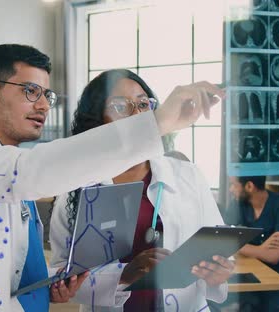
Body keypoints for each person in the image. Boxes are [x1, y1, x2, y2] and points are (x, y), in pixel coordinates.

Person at [0, 45, 224, 312]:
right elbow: (36, 169)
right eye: (30, 91)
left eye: (46, 95)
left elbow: (14, 268)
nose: (43, 105)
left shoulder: (3, 161)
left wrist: (49, 284)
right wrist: (158, 123)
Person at [49, 69, 233, 312]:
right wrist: (124, 274)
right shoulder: (75, 188)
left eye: (143, 104)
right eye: (120, 106)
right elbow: (63, 276)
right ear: (97, 119)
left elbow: (218, 248)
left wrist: (218, 273)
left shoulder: (188, 176)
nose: (136, 114)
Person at [220, 176, 279, 312]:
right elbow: (223, 240)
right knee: (220, 300)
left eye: (233, 185)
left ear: (249, 186)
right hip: (253, 267)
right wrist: (260, 249)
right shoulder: (239, 203)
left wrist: (238, 245)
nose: (230, 189)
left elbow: (273, 256)